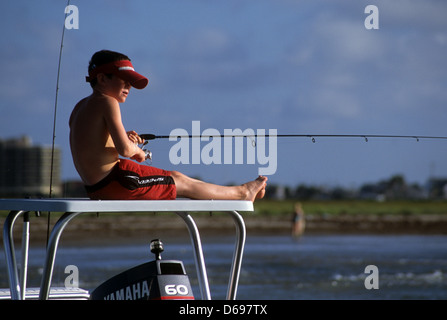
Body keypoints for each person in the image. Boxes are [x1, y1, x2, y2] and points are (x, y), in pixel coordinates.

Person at [69, 50, 267, 202]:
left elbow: (92, 146)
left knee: (176, 176)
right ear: (102, 78)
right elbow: (124, 150)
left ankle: (240, 192)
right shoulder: (107, 102)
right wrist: (138, 152)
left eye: (131, 82)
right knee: (181, 182)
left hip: (96, 188)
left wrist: (119, 137)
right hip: (117, 183)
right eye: (124, 80)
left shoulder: (80, 107)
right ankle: (242, 193)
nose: (129, 86)